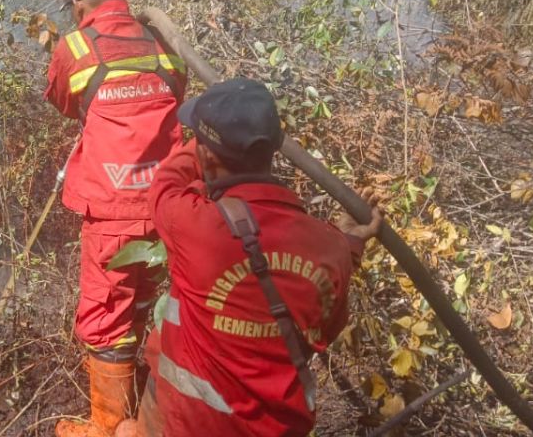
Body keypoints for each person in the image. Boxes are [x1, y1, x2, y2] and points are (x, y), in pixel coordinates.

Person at [125, 78, 383, 436]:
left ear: (206, 157)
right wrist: (351, 242)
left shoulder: (197, 227)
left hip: (186, 424)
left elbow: (166, 183)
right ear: (273, 149)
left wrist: (201, 144)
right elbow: (326, 328)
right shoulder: (333, 247)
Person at [45, 0, 188, 437]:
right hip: (173, 204)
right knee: (151, 301)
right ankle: (145, 414)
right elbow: (177, 94)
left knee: (107, 317)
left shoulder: (76, 47)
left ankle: (107, 428)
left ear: (78, 7)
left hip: (114, 211)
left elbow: (64, 101)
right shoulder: (164, 42)